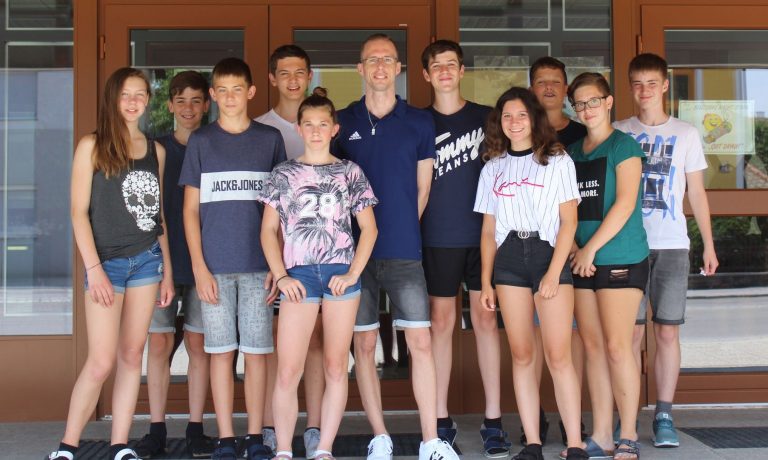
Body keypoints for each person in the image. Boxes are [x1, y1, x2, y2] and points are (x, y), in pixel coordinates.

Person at [333, 33, 459, 460]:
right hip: (353, 257)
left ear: (399, 68)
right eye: (372, 59)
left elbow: (423, 188)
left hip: (404, 250)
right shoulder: (342, 121)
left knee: (420, 343)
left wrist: (401, 226)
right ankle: (380, 437)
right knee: (364, 346)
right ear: (360, 69)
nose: (380, 66)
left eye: (388, 59)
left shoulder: (419, 122)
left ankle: (430, 440)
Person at [46, 67, 175, 460]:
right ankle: (67, 446)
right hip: (106, 266)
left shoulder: (156, 151)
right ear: (113, 100)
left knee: (132, 356)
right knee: (101, 361)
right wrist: (94, 269)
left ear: (148, 99)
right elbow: (77, 213)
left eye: (140, 94)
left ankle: (120, 445)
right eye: (125, 95)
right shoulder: (92, 145)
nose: (133, 102)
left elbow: (157, 217)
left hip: (147, 262)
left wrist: (167, 271)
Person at [260, 87, 378, 460]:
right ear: (298, 128)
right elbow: (267, 231)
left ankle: (323, 448)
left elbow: (369, 229)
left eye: (322, 124)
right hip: (299, 275)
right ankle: (283, 449)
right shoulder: (283, 173)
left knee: (335, 365)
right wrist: (281, 276)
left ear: (334, 129)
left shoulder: (349, 172)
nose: (315, 130)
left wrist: (353, 273)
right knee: (288, 369)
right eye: (308, 124)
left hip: (340, 272)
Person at [180, 57, 287, 460]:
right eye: (221, 90)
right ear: (212, 94)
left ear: (251, 92)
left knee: (257, 354)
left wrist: (278, 266)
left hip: (260, 268)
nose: (229, 97)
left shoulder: (269, 139)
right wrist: (199, 267)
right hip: (214, 269)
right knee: (221, 352)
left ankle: (255, 436)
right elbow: (190, 210)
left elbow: (280, 209)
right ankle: (226, 438)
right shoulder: (202, 141)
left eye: (236, 90)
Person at [474, 87, 586, 460]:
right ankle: (533, 443)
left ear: (534, 118)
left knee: (558, 355)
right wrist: (486, 281)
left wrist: (554, 273)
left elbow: (569, 222)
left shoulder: (557, 160)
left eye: (521, 115)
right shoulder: (493, 167)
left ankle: (575, 444)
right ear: (499, 122)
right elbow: (488, 231)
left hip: (547, 253)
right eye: (507, 116)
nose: (514, 122)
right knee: (522, 355)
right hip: (508, 259)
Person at [614, 52, 718, 448]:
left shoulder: (686, 133)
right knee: (630, 335)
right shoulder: (619, 131)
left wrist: (708, 244)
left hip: (673, 244)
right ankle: (626, 418)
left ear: (665, 86)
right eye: (638, 84)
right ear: (630, 87)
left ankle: (663, 415)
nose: (645, 91)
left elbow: (697, 192)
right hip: (628, 246)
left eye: (652, 83)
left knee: (668, 332)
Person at [419, 39, 510, 458]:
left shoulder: (486, 117)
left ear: (461, 70)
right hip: (436, 237)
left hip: (483, 238)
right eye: (436, 66)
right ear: (426, 74)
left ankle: (493, 418)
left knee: (486, 322)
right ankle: (440, 419)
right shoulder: (418, 122)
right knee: (440, 324)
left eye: (451, 64)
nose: (444, 71)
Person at [133, 70, 214, 460]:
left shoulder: (215, 145)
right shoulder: (155, 149)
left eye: (196, 101)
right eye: (181, 101)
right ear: (169, 106)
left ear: (207, 105)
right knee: (160, 342)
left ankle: (196, 427)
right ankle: (157, 428)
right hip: (160, 262)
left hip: (205, 263)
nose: (188, 109)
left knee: (199, 344)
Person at [567, 72, 649, 460]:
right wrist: (574, 249)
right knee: (593, 347)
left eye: (593, 101)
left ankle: (628, 434)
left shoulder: (624, 146)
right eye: (580, 104)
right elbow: (565, 208)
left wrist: (590, 250)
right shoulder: (572, 152)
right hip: (581, 260)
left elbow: (625, 203)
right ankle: (601, 434)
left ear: (609, 101)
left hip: (620, 258)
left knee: (617, 347)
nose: (587, 109)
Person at [255, 44, 326, 458]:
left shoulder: (323, 122)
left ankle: (314, 427)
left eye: (300, 72)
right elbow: (267, 210)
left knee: (315, 341)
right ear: (272, 78)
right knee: (275, 344)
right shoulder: (261, 129)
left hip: (314, 259)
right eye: (284, 72)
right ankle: (270, 427)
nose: (293, 80)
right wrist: (275, 262)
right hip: (274, 260)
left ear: (310, 75)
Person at [527, 56, 588, 447]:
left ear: (566, 89)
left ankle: (573, 420)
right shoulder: (521, 132)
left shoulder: (583, 132)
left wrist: (580, 245)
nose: (548, 87)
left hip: (579, 249)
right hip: (534, 251)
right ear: (531, 88)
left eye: (555, 81)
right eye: (541, 81)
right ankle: (535, 418)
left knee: (573, 338)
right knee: (533, 339)